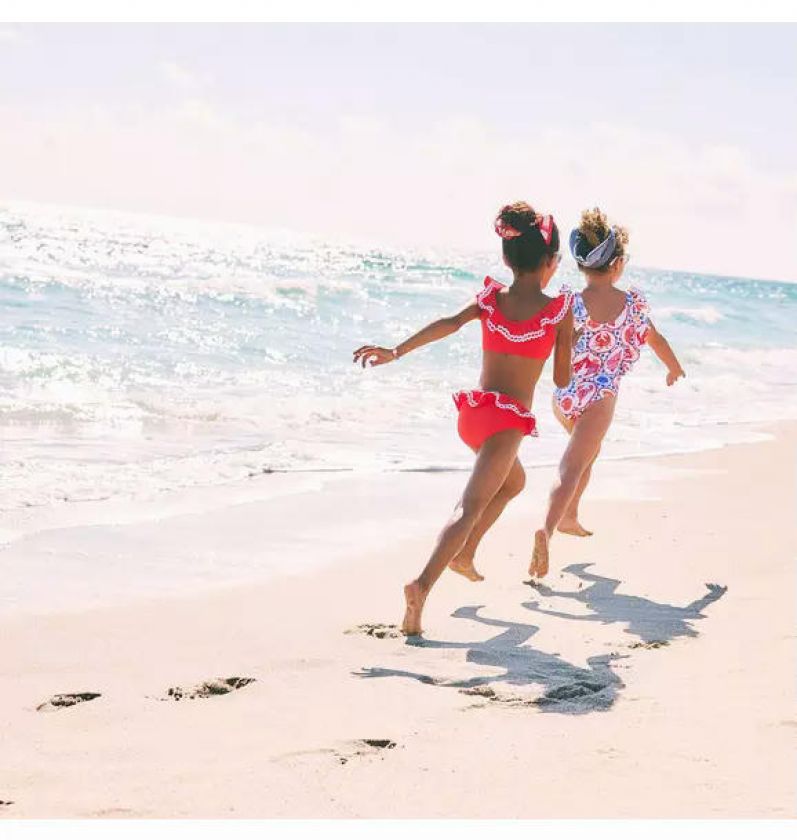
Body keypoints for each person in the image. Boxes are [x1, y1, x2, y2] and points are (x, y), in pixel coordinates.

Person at [353, 202, 573, 635]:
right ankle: (421, 585)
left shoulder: (490, 299)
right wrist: (568, 339)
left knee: (513, 482)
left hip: (474, 417)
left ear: (508, 258)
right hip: (507, 423)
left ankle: (465, 554)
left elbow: (449, 324)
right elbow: (562, 379)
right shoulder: (557, 312)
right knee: (469, 506)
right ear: (550, 262)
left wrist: (396, 351)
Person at [529, 208, 686, 579]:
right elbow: (656, 339)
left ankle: (569, 516)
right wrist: (674, 368)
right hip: (600, 397)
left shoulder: (570, 302)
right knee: (572, 466)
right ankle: (547, 530)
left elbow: (553, 346)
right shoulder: (632, 306)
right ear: (617, 264)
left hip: (565, 395)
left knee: (587, 455)